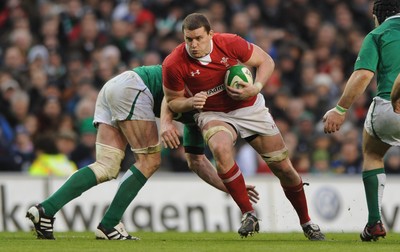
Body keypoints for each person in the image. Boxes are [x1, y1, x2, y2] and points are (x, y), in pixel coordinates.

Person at [26, 65, 259, 240]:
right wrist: (166, 124)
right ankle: (109, 224)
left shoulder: (203, 115)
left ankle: (45, 210)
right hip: (135, 88)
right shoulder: (206, 95)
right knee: (149, 160)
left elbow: (196, 161)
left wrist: (230, 187)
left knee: (106, 166)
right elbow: (172, 93)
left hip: (116, 86)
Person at [162, 13, 325, 240]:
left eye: (198, 38)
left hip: (250, 108)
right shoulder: (173, 63)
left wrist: (256, 87)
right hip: (212, 112)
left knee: (284, 168)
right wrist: (190, 102)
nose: (193, 45)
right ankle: (249, 213)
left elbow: (266, 61)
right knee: (220, 148)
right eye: (188, 39)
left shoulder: (229, 42)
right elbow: (172, 101)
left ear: (210, 33)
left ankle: (307, 222)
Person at [322, 0, 400, 242]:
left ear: (377, 14)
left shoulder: (378, 34)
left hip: (391, 107)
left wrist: (340, 109)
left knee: (373, 154)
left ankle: (375, 222)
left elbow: (364, 74)